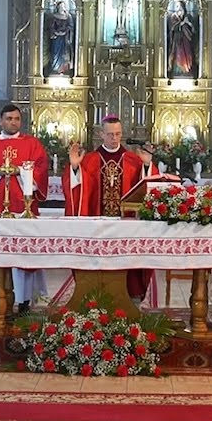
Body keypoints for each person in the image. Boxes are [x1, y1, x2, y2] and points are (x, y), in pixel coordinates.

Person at [0, 104, 51, 316]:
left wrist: (21, 172)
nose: (13, 122)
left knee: (24, 255)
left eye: (16, 119)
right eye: (9, 118)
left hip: (23, 209)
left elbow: (41, 169)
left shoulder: (32, 145)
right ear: (0, 121)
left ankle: (24, 302)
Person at [63, 115, 151, 300]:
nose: (115, 138)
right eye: (110, 134)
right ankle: (94, 295)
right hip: (97, 225)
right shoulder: (89, 160)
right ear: (101, 134)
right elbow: (77, 191)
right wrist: (75, 167)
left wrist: (146, 165)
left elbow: (146, 189)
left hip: (125, 225)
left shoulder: (133, 159)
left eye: (118, 134)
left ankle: (129, 297)